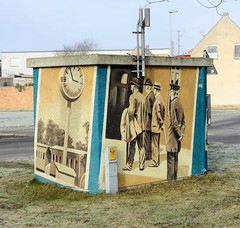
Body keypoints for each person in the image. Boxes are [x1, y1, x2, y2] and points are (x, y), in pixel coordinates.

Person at [122, 77, 147, 171]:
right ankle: (141, 165)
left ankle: (129, 166)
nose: (131, 87)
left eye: (132, 85)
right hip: (142, 126)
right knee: (142, 146)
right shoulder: (143, 97)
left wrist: (126, 111)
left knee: (132, 146)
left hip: (135, 126)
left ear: (135, 86)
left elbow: (131, 112)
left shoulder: (133, 97)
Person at [166, 84, 185, 181]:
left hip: (172, 137)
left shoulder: (173, 103)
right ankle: (174, 179)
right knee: (175, 159)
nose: (169, 93)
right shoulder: (180, 103)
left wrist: (178, 134)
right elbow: (183, 122)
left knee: (170, 159)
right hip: (178, 138)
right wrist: (181, 134)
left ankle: (170, 181)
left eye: (170, 91)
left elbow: (174, 122)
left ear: (173, 92)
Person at [149, 83, 165, 167]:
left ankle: (155, 162)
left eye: (153, 89)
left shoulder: (158, 99)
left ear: (156, 90)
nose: (153, 91)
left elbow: (159, 113)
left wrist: (161, 123)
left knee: (154, 145)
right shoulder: (160, 99)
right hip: (157, 126)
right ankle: (156, 161)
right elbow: (164, 112)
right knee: (156, 145)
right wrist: (162, 123)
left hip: (155, 126)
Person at [143, 78, 155, 160]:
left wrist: (146, 121)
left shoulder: (150, 96)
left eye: (148, 86)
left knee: (147, 139)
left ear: (151, 87)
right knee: (149, 139)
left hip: (148, 121)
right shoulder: (151, 95)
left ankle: (147, 155)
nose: (147, 87)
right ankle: (149, 154)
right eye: (146, 86)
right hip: (150, 121)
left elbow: (149, 111)